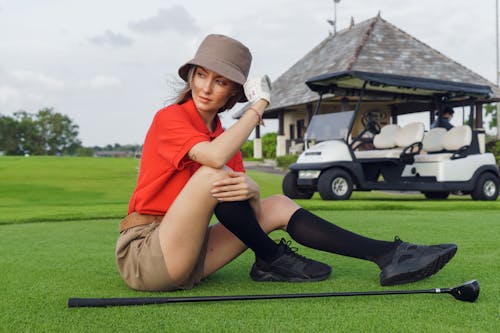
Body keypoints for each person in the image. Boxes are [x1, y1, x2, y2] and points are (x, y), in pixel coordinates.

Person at [115, 34, 457, 292]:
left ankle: (388, 255)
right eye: (201, 75)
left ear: (232, 93)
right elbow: (215, 160)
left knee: (275, 203)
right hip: (146, 254)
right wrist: (259, 106)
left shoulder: (222, 134)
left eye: (219, 81)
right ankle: (272, 258)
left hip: (192, 254)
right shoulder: (170, 118)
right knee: (213, 174)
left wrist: (250, 190)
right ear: (191, 76)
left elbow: (240, 211)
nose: (205, 88)